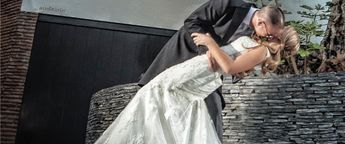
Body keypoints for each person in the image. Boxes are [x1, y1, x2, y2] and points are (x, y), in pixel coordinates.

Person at [95, 26, 300, 143]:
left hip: (201, 71)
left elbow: (229, 68)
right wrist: (220, 54)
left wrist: (209, 42)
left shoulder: (263, 51)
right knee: (160, 100)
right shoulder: (261, 49)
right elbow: (237, 67)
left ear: (280, 34)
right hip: (202, 72)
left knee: (156, 92)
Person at [138, 0, 285, 140]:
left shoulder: (255, 33)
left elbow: (236, 57)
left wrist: (240, 71)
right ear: (261, 23)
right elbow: (192, 22)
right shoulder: (228, 2)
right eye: (269, 34)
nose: (268, 38)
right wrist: (208, 49)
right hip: (186, 55)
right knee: (157, 107)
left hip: (210, 73)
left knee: (213, 111)